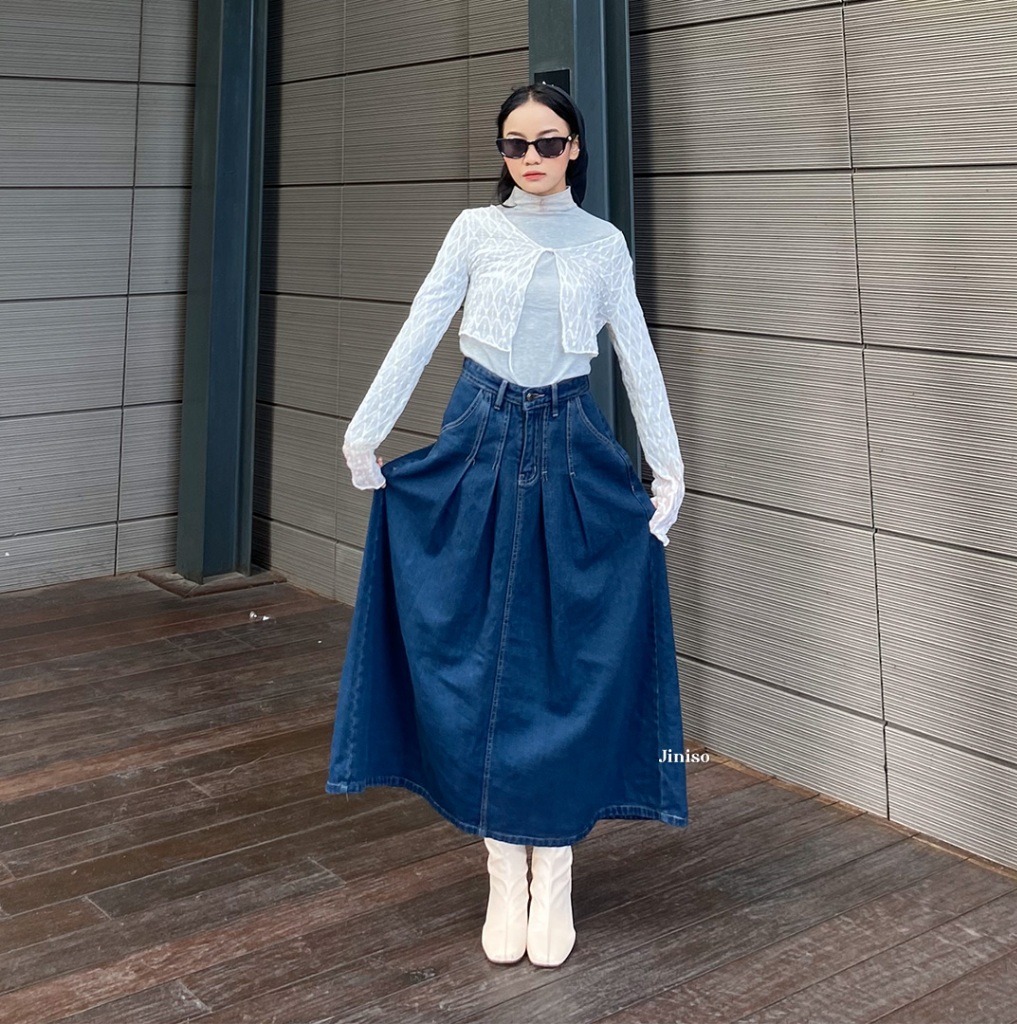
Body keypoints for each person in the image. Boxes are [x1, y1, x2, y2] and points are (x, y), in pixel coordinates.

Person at [326, 82, 689, 969]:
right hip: (477, 437)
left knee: (568, 658)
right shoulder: (473, 232)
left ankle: (553, 866)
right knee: (477, 649)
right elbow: (422, 326)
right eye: (515, 144)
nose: (531, 157)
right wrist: (366, 431)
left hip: (571, 441)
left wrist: (671, 466)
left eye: (548, 142)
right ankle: (501, 864)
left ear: (575, 148)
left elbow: (635, 353)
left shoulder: (604, 244)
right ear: (502, 152)